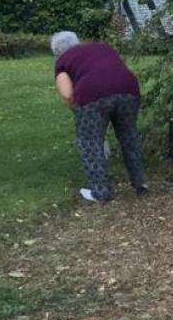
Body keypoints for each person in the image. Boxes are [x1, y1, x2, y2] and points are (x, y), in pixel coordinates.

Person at [51, 31, 148, 203]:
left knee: (89, 142)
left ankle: (100, 192)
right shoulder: (102, 47)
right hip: (129, 89)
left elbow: (67, 94)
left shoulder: (63, 61)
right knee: (128, 136)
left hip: (92, 95)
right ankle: (140, 182)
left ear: (57, 52)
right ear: (78, 41)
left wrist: (78, 111)